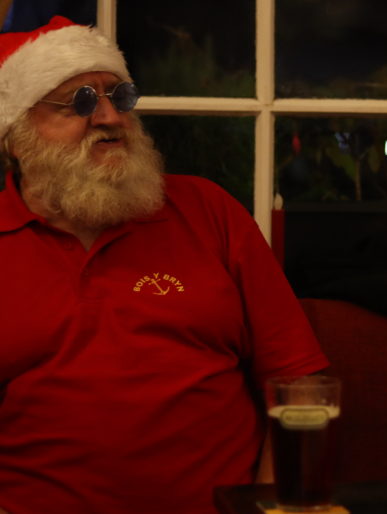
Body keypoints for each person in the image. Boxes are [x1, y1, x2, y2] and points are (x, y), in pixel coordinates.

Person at [0, 16, 329, 514]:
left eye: (120, 96)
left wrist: (270, 506)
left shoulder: (206, 209)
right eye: (81, 102)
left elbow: (301, 383)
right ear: (17, 136)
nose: (110, 117)